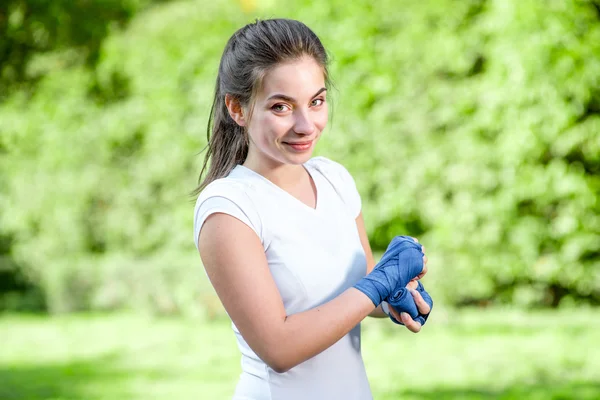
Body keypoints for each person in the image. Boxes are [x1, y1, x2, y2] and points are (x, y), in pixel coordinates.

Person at [193, 18, 431, 400]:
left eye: (316, 101)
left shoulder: (334, 179)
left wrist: (395, 295)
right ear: (237, 108)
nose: (306, 125)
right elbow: (279, 348)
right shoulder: (229, 207)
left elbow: (359, 290)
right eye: (281, 106)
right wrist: (378, 285)